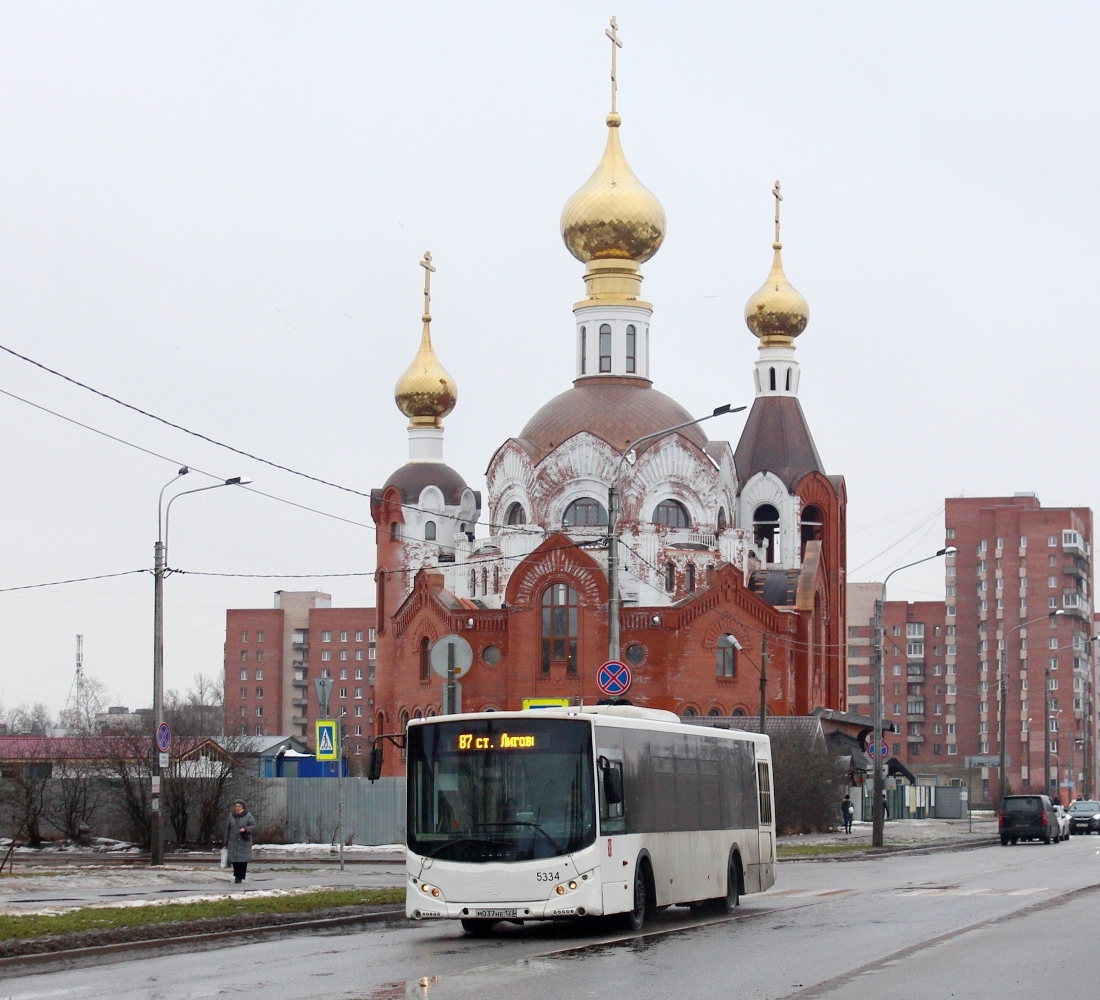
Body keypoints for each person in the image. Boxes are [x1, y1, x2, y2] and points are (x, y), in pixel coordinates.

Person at [224, 799, 257, 884]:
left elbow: (254, 826)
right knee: (235, 860)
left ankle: (240, 877)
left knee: (242, 861)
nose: (237, 808)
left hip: (244, 842)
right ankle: (236, 875)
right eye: (236, 806)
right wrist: (226, 841)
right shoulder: (231, 815)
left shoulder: (248, 815)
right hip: (233, 841)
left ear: (243, 807)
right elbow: (228, 828)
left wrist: (246, 829)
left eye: (239, 806)